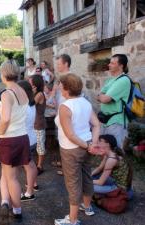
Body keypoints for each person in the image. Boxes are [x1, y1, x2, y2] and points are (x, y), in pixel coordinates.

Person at [54, 73, 100, 225]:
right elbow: (97, 125)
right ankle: (87, 207)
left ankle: (72, 220)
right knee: (87, 176)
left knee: (73, 182)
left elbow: (70, 134)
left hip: (71, 149)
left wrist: (89, 146)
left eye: (61, 85)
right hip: (86, 144)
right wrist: (92, 144)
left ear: (66, 89)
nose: (59, 87)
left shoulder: (65, 107)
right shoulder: (85, 102)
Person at [0, 60, 30, 223]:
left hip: (9, 139)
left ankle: (16, 211)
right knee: (9, 174)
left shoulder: (6, 93)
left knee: (11, 178)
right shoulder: (22, 90)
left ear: (3, 74)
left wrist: (0, 130)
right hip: (22, 137)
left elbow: (6, 118)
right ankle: (5, 201)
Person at [97, 54, 131, 149]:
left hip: (116, 121)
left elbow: (104, 99)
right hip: (105, 120)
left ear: (121, 66)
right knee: (106, 149)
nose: (109, 65)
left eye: (112, 63)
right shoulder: (110, 80)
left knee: (115, 151)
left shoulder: (123, 80)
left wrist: (101, 96)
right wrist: (101, 96)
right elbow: (99, 95)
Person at [18, 80, 39, 201]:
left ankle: (29, 192)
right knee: (30, 165)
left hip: (26, 138)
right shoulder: (30, 103)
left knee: (29, 166)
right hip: (30, 137)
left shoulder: (24, 106)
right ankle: (32, 186)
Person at [30, 75, 46, 175]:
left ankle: (40, 166)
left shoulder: (39, 94)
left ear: (35, 84)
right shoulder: (35, 93)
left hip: (39, 123)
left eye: (30, 82)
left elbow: (30, 103)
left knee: (40, 145)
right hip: (33, 123)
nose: (29, 83)